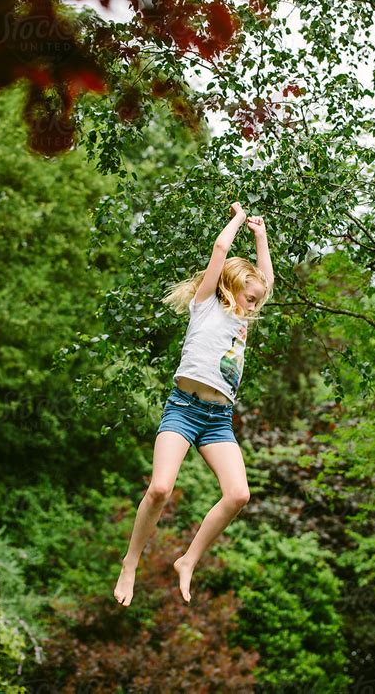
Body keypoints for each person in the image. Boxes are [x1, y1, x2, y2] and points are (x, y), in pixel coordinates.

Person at [114, 201, 275, 605]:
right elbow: (220, 252)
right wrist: (239, 220)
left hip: (218, 419)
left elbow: (266, 281)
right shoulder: (205, 307)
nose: (255, 306)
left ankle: (188, 559)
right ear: (230, 287)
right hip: (183, 409)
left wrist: (262, 237)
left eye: (257, 301)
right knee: (160, 489)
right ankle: (131, 561)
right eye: (249, 298)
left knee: (239, 494)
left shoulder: (244, 320)